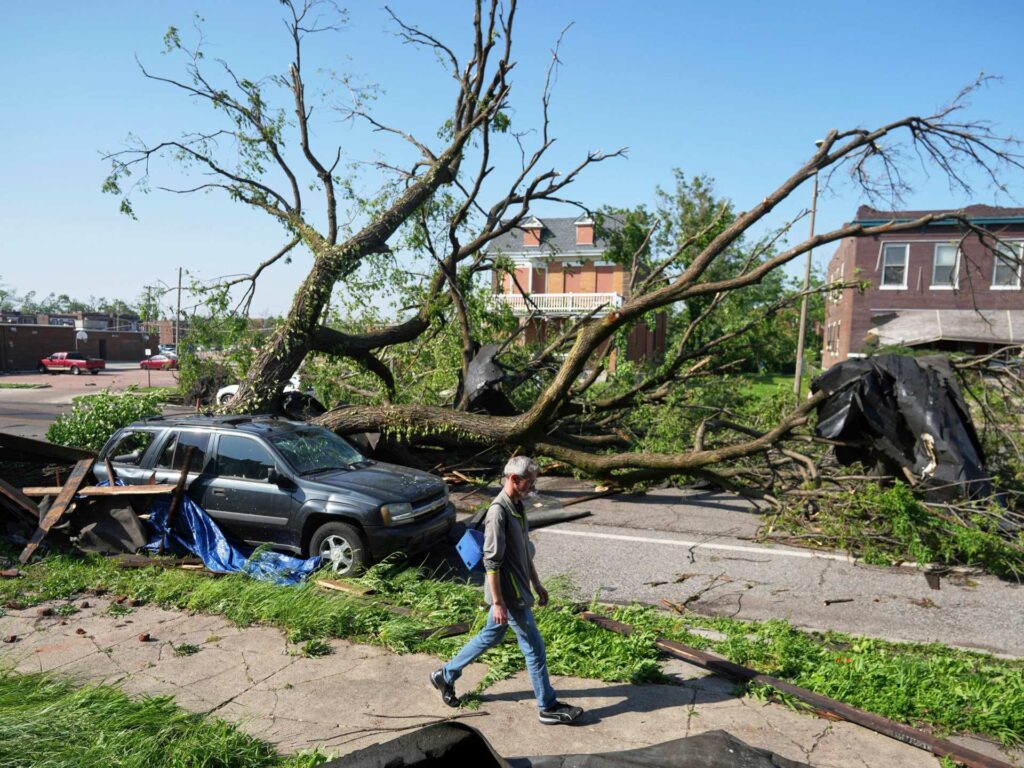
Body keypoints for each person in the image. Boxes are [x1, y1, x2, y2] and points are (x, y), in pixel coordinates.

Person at [431, 456, 583, 725]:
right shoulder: (498, 512)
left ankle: (446, 673)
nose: (532, 487)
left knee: (490, 635)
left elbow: (523, 551)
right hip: (509, 596)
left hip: (519, 589)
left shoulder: (517, 505)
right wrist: (498, 602)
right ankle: (547, 707)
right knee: (534, 648)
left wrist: (537, 583)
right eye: (530, 482)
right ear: (514, 479)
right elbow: (492, 562)